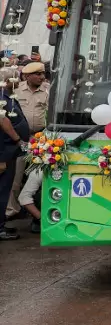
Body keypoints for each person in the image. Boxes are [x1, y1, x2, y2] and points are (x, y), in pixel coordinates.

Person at [7, 62, 49, 227]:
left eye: (43, 73)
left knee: (39, 177)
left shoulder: (48, 90)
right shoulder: (16, 90)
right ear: (27, 76)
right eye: (37, 74)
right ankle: (11, 211)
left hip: (41, 139)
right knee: (16, 177)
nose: (41, 77)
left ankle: (36, 217)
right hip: (19, 139)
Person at [0, 81, 31, 240]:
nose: (17, 79)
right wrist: (18, 140)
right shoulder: (1, 96)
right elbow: (2, 121)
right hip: (3, 152)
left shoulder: (5, 94)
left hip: (8, 151)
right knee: (2, 190)